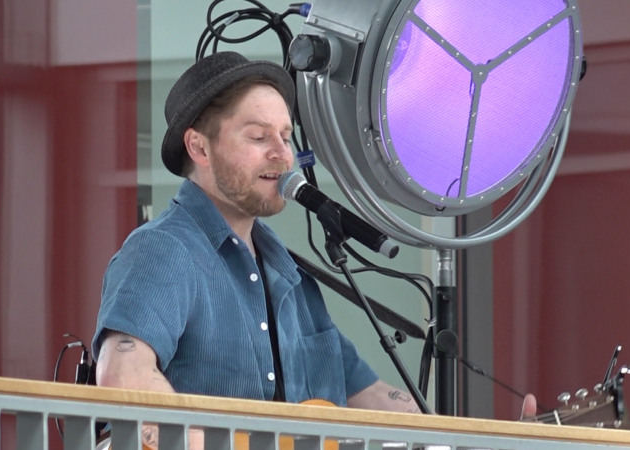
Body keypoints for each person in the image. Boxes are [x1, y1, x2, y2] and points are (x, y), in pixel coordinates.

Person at [91, 52, 536, 448]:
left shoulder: (293, 278)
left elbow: (374, 400)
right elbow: (122, 379)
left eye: (286, 137)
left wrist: (497, 441)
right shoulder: (164, 250)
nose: (282, 155)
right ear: (199, 147)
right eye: (258, 136)